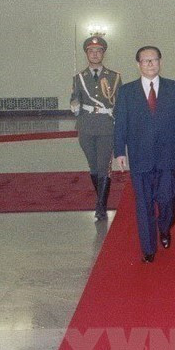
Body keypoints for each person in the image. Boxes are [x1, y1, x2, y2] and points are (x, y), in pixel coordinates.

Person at [114, 46, 175, 263]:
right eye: (145, 60)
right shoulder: (127, 91)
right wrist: (120, 151)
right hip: (140, 157)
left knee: (168, 199)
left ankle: (165, 228)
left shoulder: (173, 88)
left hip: (168, 156)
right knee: (144, 204)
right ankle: (148, 249)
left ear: (160, 62)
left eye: (154, 60)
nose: (150, 64)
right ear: (137, 64)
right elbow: (120, 124)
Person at [70, 35, 122, 222]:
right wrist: (74, 105)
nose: (94, 54)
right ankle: (100, 201)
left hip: (107, 126)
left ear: (103, 54)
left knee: (103, 167)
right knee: (93, 166)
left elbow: (119, 104)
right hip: (86, 126)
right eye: (91, 51)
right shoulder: (79, 78)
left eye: (98, 51)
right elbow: (75, 99)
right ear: (86, 54)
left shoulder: (114, 77)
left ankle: (101, 205)